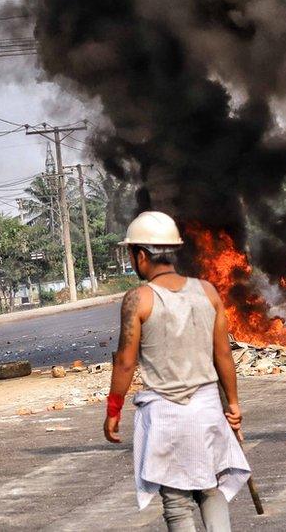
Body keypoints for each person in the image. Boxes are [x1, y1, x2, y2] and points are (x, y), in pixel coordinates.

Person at [105, 211, 250, 532]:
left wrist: (113, 410)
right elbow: (223, 353)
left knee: (177, 501)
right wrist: (234, 405)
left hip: (168, 415)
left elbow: (125, 362)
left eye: (131, 254)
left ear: (141, 255)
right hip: (208, 408)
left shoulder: (137, 299)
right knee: (210, 488)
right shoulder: (208, 292)